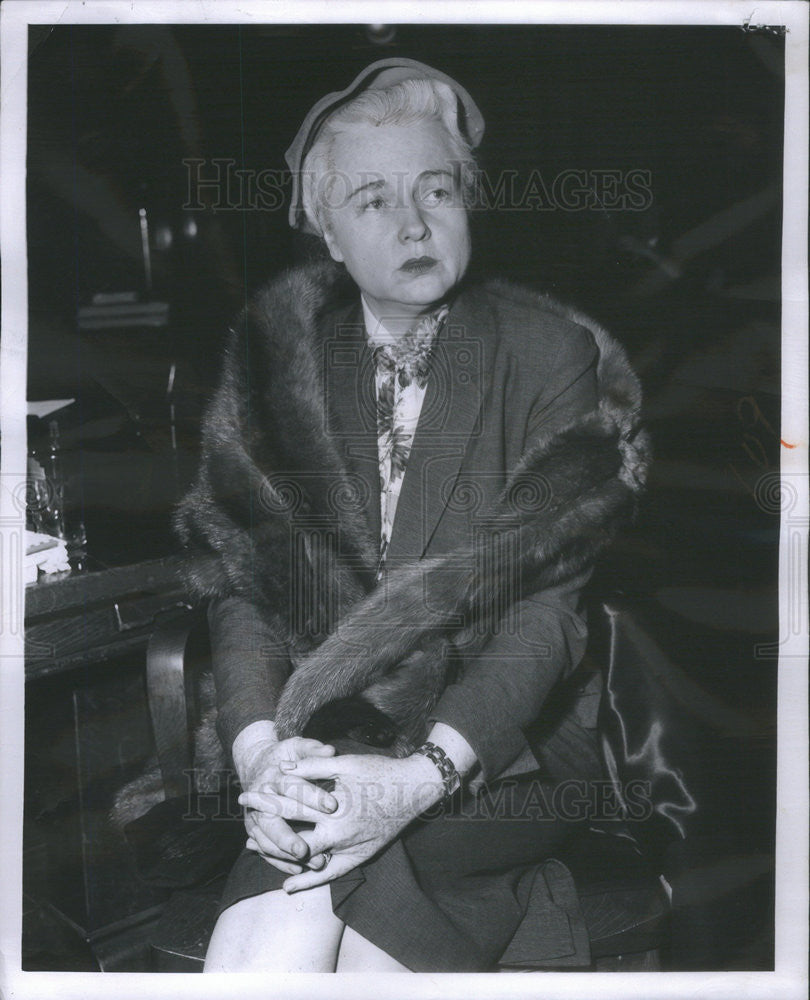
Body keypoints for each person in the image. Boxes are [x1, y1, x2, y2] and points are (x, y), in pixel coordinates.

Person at [175, 57, 649, 973]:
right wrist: (259, 758)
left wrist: (416, 777)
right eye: (371, 200)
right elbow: (246, 591)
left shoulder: (546, 353)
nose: (414, 222)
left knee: (330, 924)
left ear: (470, 201)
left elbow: (543, 616)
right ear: (328, 237)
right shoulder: (282, 362)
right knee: (261, 951)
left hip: (498, 754)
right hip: (324, 741)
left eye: (438, 189)